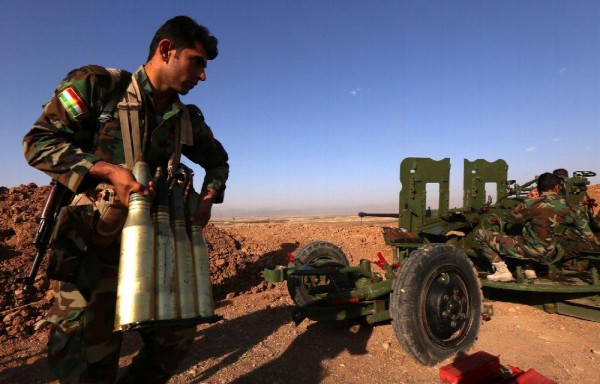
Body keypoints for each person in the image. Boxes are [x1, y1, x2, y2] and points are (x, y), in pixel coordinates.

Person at [22, 16, 229, 383]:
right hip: (93, 247)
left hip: (157, 247)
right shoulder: (97, 85)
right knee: (86, 360)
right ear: (166, 50)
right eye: (196, 62)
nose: (203, 76)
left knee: (174, 339)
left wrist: (209, 198)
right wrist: (107, 171)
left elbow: (218, 161)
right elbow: (38, 142)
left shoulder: (185, 118)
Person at [475, 172, 599, 282]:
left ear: (538, 189)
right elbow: (587, 235)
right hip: (554, 253)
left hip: (529, 251)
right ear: (557, 187)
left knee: (481, 234)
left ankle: (502, 271)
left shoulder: (531, 205)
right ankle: (528, 269)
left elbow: (508, 219)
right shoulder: (573, 208)